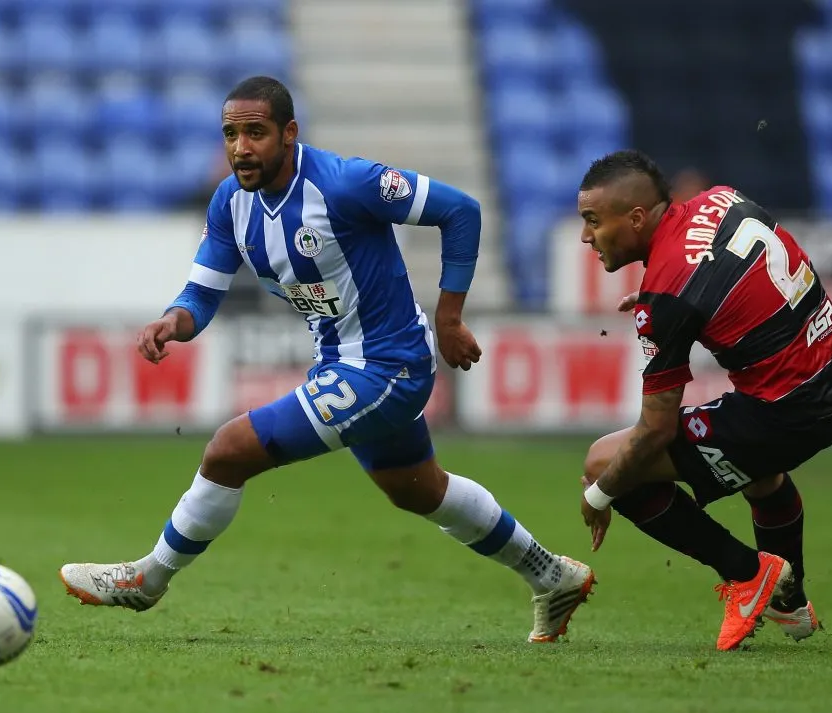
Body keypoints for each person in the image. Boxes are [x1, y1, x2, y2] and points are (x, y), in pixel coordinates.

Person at [59, 76, 595, 643]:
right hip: (341, 365)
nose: (241, 147)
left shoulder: (346, 183)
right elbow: (202, 294)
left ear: (289, 134)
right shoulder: (230, 203)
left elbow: (460, 211)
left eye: (256, 133)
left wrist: (450, 317)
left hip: (390, 366)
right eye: (231, 134)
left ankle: (148, 578)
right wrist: (173, 320)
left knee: (229, 449)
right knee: (417, 489)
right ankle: (552, 575)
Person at [575, 150, 832, 651]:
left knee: (606, 464)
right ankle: (790, 606)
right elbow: (721, 273)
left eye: (594, 221)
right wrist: (660, 302)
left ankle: (748, 576)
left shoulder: (669, 293)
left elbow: (654, 431)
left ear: (637, 217)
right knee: (758, 469)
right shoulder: (720, 199)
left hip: (793, 408)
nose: (586, 236)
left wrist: (597, 497)